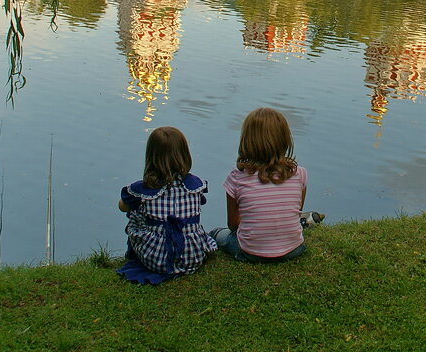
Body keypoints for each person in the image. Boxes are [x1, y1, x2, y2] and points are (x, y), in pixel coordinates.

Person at [117, 126, 217, 284]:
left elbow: (122, 207)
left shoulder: (142, 190)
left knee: (135, 214)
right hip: (193, 256)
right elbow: (200, 203)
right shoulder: (195, 185)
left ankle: (136, 254)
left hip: (156, 259)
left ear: (151, 156)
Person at [210, 107, 310, 263]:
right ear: (284, 140)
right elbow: (296, 211)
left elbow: (233, 225)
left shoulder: (236, 178)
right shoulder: (300, 174)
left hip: (251, 252)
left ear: (247, 141)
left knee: (218, 233)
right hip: (294, 249)